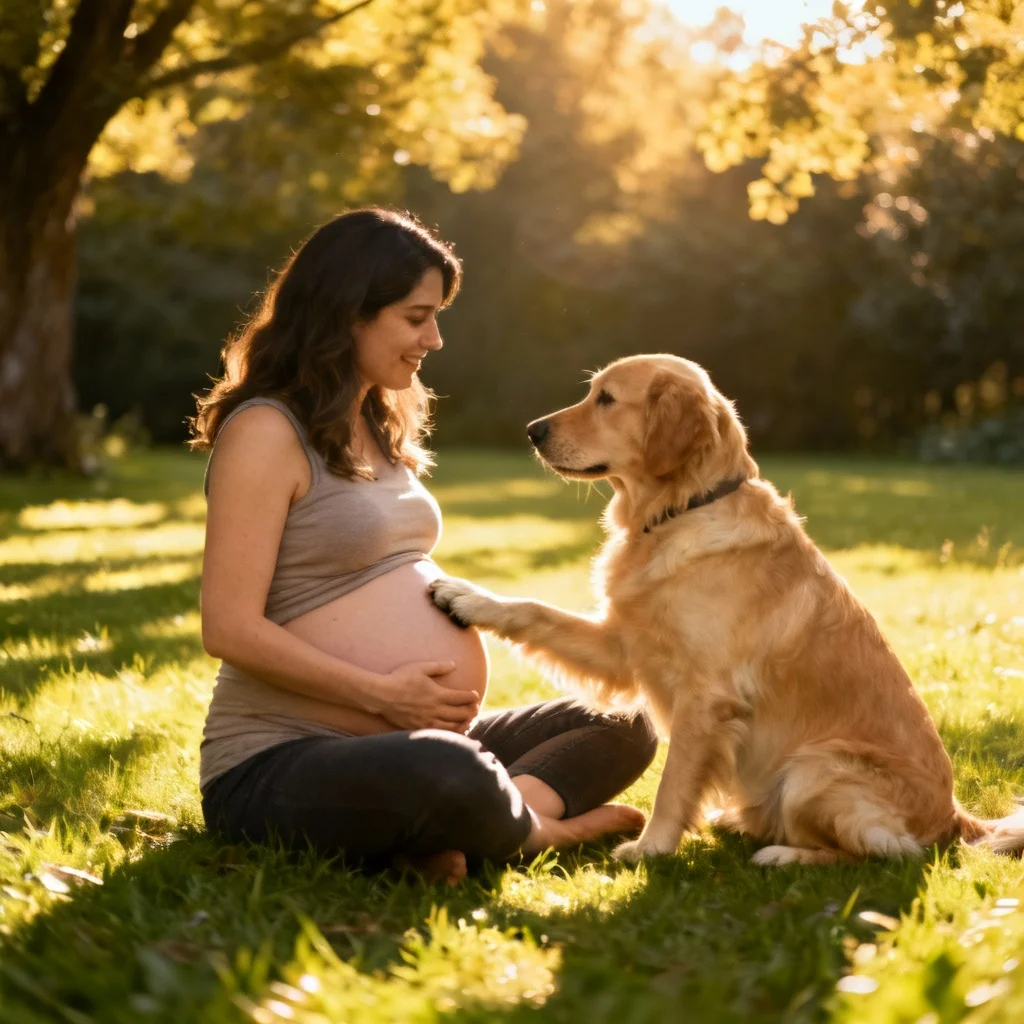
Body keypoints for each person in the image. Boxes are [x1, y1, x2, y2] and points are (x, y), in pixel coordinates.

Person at [189, 207, 657, 885]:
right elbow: (227, 628)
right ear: (349, 312)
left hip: (402, 739)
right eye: (415, 317)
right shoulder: (265, 431)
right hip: (280, 761)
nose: (434, 339)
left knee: (624, 717)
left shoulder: (377, 422)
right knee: (447, 769)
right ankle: (535, 832)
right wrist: (381, 695)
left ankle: (462, 826)